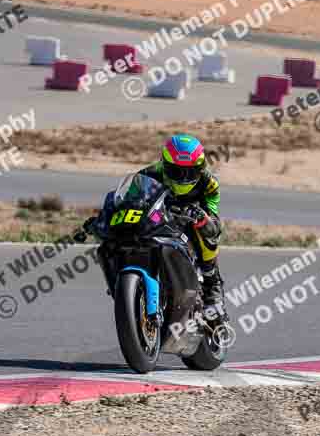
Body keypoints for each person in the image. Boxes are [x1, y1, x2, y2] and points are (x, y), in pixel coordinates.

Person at [82, 134, 229, 324]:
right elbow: (126, 201)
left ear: (200, 170)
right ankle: (124, 287)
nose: (183, 179)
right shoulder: (148, 174)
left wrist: (204, 219)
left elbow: (214, 219)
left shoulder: (209, 184)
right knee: (114, 239)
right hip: (159, 217)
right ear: (165, 165)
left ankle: (212, 286)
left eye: (190, 172)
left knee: (207, 233)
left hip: (189, 219)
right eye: (177, 172)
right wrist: (104, 217)